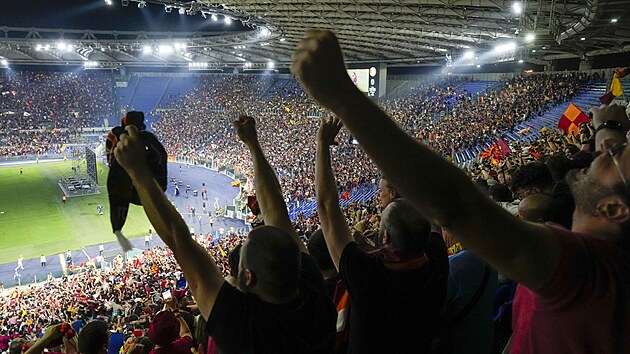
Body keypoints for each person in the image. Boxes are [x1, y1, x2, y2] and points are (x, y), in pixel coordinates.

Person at [292, 30, 630, 353]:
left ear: (613, 209)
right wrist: (607, 133)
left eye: (613, 156)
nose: (606, 151)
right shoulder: (437, 261)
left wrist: (343, 98)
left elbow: (456, 206)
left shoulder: (584, 271)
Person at [113, 119, 336, 353]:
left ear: (248, 277)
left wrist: (137, 172)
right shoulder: (314, 290)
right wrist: (253, 145)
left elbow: (179, 240)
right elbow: (276, 212)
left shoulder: (240, 325)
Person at [314, 116, 448, 353]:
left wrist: (322, 143)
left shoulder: (366, 274)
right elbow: (431, 210)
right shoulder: (437, 259)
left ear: (384, 238)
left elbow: (326, 206)